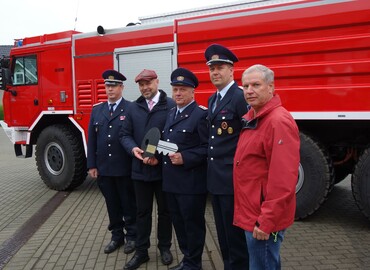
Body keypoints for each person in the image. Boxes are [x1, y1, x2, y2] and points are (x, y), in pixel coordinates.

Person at [234, 64, 300, 269]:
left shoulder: (277, 121)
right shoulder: (256, 117)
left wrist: (267, 221)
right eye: (245, 86)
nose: (249, 90)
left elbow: (283, 179)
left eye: (256, 85)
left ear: (271, 87)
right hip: (253, 212)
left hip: (261, 219)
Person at [120, 69, 175, 270]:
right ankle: (141, 252)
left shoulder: (170, 105)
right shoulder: (133, 108)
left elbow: (173, 140)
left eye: (148, 83)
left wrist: (156, 157)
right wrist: (133, 148)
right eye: (141, 84)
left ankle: (165, 248)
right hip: (139, 170)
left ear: (157, 82)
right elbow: (124, 135)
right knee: (142, 213)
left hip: (163, 171)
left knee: (165, 212)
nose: (145, 88)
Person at [204, 44, 249, 270]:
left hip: (233, 180)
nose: (215, 72)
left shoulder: (239, 97)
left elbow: (249, 138)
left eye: (220, 67)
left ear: (232, 70)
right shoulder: (213, 100)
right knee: (222, 233)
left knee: (235, 236)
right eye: (212, 68)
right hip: (217, 180)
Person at [162, 68, 209, 270]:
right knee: (179, 224)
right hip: (171, 182)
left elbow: (208, 148)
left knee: (192, 225)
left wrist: (186, 157)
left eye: (182, 89)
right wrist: (151, 152)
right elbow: (168, 143)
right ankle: (187, 259)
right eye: (175, 89)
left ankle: (194, 263)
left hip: (191, 184)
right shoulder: (172, 113)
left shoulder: (200, 115)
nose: (178, 93)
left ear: (192, 92)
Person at [87, 69, 137, 255]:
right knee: (112, 205)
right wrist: (92, 165)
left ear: (122, 87)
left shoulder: (131, 109)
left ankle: (132, 236)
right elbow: (91, 139)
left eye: (114, 86)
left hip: (124, 169)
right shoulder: (97, 110)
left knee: (128, 204)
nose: (110, 89)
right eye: (107, 86)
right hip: (105, 169)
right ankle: (117, 236)